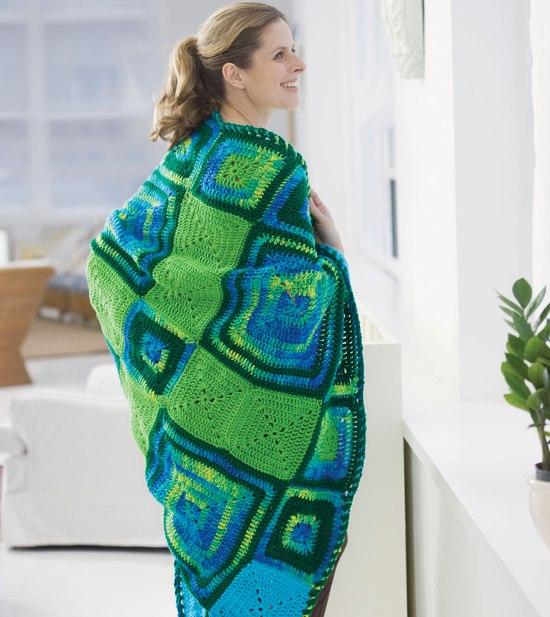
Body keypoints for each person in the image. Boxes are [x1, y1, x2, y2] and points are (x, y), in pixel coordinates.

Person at [86, 3, 366, 616]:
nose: (298, 65)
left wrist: (174, 379)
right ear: (235, 74)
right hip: (274, 432)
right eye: (280, 54)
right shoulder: (271, 168)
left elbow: (113, 261)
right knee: (296, 571)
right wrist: (334, 254)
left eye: (294, 49)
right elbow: (293, 297)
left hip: (203, 433)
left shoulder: (189, 155)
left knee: (231, 574)